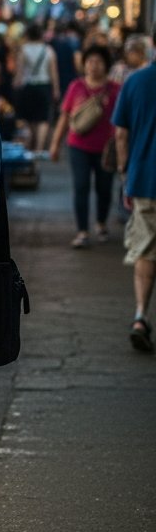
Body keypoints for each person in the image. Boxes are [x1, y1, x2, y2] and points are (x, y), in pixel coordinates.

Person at [49, 44, 120, 248]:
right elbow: (64, 117)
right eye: (89, 61)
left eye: (98, 62)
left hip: (106, 148)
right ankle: (82, 230)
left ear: (106, 65)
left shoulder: (116, 89)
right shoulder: (76, 87)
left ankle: (100, 222)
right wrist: (55, 144)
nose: (93, 66)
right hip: (78, 146)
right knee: (81, 186)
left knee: (104, 188)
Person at [112, 24, 156, 352]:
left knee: (145, 248)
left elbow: (121, 134)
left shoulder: (136, 82)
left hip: (145, 179)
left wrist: (125, 172)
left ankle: (141, 314)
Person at [14, 22, 59, 152]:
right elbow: (53, 72)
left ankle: (31, 145)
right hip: (44, 87)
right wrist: (56, 90)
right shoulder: (48, 50)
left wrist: (16, 85)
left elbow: (20, 72)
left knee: (29, 117)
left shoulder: (24, 49)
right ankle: (39, 148)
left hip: (28, 87)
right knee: (43, 118)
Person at [49, 19, 82, 98]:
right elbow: (77, 60)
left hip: (56, 77)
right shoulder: (73, 41)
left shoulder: (52, 43)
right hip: (70, 76)